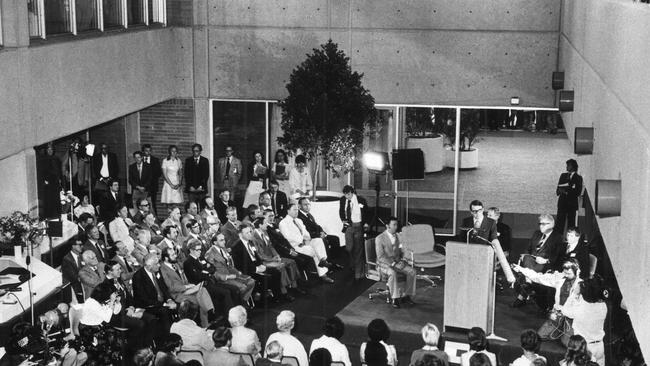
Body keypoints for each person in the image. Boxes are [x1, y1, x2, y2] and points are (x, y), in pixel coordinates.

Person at [512, 259, 583, 342]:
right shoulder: (560, 279)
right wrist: (520, 269)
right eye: (565, 273)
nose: (566, 275)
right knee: (540, 336)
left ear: (577, 272)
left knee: (568, 342)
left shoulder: (581, 285)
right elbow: (538, 277)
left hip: (572, 318)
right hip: (557, 314)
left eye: (569, 274)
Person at [512, 214, 564, 310]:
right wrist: (525, 255)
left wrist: (546, 260)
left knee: (530, 264)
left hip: (545, 265)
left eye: (544, 224)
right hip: (531, 261)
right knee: (527, 257)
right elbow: (528, 249)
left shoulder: (557, 237)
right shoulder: (537, 234)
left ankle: (525, 289)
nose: (541, 226)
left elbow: (558, 257)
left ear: (551, 224)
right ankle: (529, 282)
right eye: (540, 224)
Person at [159, 246, 216, 327]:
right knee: (198, 299)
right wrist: (187, 287)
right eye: (172, 255)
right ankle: (207, 320)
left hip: (186, 289)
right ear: (166, 258)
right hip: (177, 294)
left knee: (202, 289)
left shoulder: (176, 264)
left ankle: (210, 314)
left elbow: (184, 279)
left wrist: (190, 286)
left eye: (175, 254)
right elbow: (171, 287)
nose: (175, 256)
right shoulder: (163, 269)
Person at [231, 222, 289, 301]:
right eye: (247, 233)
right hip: (248, 270)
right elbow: (240, 265)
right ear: (240, 234)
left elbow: (256, 256)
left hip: (256, 265)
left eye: (250, 232)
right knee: (266, 278)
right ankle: (262, 299)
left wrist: (261, 265)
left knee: (276, 272)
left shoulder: (250, 242)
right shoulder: (236, 247)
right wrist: (256, 269)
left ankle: (278, 296)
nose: (250, 234)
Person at [280, 203, 334, 283]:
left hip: (305, 242)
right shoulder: (283, 223)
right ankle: (323, 274)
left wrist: (307, 239)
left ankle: (323, 260)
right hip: (296, 246)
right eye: (294, 210)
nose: (296, 212)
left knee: (318, 240)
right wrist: (303, 241)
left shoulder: (299, 220)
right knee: (314, 251)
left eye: (297, 210)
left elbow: (306, 233)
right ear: (288, 211)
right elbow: (288, 237)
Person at [561, 276, 608, 366]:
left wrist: (574, 293)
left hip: (585, 348)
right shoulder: (603, 306)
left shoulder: (580, 308)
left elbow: (565, 310)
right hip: (599, 346)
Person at [253, 213, 303, 295]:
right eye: (265, 223)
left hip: (273, 258)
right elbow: (260, 254)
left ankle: (295, 286)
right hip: (265, 261)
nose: (267, 225)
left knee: (292, 262)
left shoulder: (265, 232)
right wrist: (273, 259)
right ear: (260, 225)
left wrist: (277, 256)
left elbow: (271, 246)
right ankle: (284, 292)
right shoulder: (254, 237)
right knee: (281, 266)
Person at [132, 253, 177, 339]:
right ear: (149, 266)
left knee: (177, 304)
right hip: (147, 305)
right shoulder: (138, 277)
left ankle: (176, 333)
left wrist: (169, 300)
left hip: (160, 302)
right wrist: (164, 304)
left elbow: (164, 288)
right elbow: (143, 299)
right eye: (156, 264)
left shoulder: (156, 271)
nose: (159, 265)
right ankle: (167, 338)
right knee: (164, 311)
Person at [204, 232, 256, 305]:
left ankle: (242, 301)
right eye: (221, 240)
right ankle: (240, 304)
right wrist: (226, 277)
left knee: (251, 282)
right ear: (215, 242)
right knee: (243, 287)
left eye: (224, 239)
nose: (224, 242)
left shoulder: (223, 249)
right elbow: (212, 271)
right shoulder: (210, 253)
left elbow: (229, 265)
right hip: (222, 278)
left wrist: (237, 272)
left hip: (231, 274)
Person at [376, 216, 417, 308]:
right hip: (384, 264)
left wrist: (404, 260)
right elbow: (380, 257)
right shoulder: (379, 238)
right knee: (392, 272)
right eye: (394, 225)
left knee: (412, 272)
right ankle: (395, 298)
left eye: (396, 225)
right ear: (387, 226)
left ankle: (407, 296)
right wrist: (393, 264)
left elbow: (405, 251)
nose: (396, 227)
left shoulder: (399, 236)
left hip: (398, 262)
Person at [339, 185, 369, 281]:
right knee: (349, 248)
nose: (346, 197)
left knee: (358, 249)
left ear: (352, 193)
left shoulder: (361, 200)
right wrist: (343, 219)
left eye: (348, 195)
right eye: (345, 195)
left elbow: (367, 213)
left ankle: (359, 273)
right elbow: (341, 211)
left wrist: (366, 223)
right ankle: (353, 264)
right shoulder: (343, 200)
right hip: (349, 227)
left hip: (358, 226)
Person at [556, 159, 583, 234]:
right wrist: (562, 190)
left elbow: (578, 192)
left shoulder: (578, 178)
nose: (567, 167)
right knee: (559, 224)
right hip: (562, 204)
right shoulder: (563, 175)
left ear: (573, 166)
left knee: (571, 224)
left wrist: (566, 191)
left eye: (568, 165)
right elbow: (558, 189)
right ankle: (558, 240)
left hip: (571, 205)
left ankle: (569, 240)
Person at [61, 235, 86, 303]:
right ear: (73, 246)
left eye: (82, 244)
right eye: (79, 245)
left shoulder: (82, 256)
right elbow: (73, 277)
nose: (82, 246)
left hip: (84, 286)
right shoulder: (67, 259)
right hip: (75, 289)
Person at [142, 144, 162, 215]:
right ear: (143, 151)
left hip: (152, 186)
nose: (148, 152)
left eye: (149, 151)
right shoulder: (140, 160)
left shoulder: (155, 160)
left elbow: (159, 173)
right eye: (146, 151)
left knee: (152, 203)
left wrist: (150, 175)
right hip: (142, 186)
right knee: (142, 203)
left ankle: (155, 219)